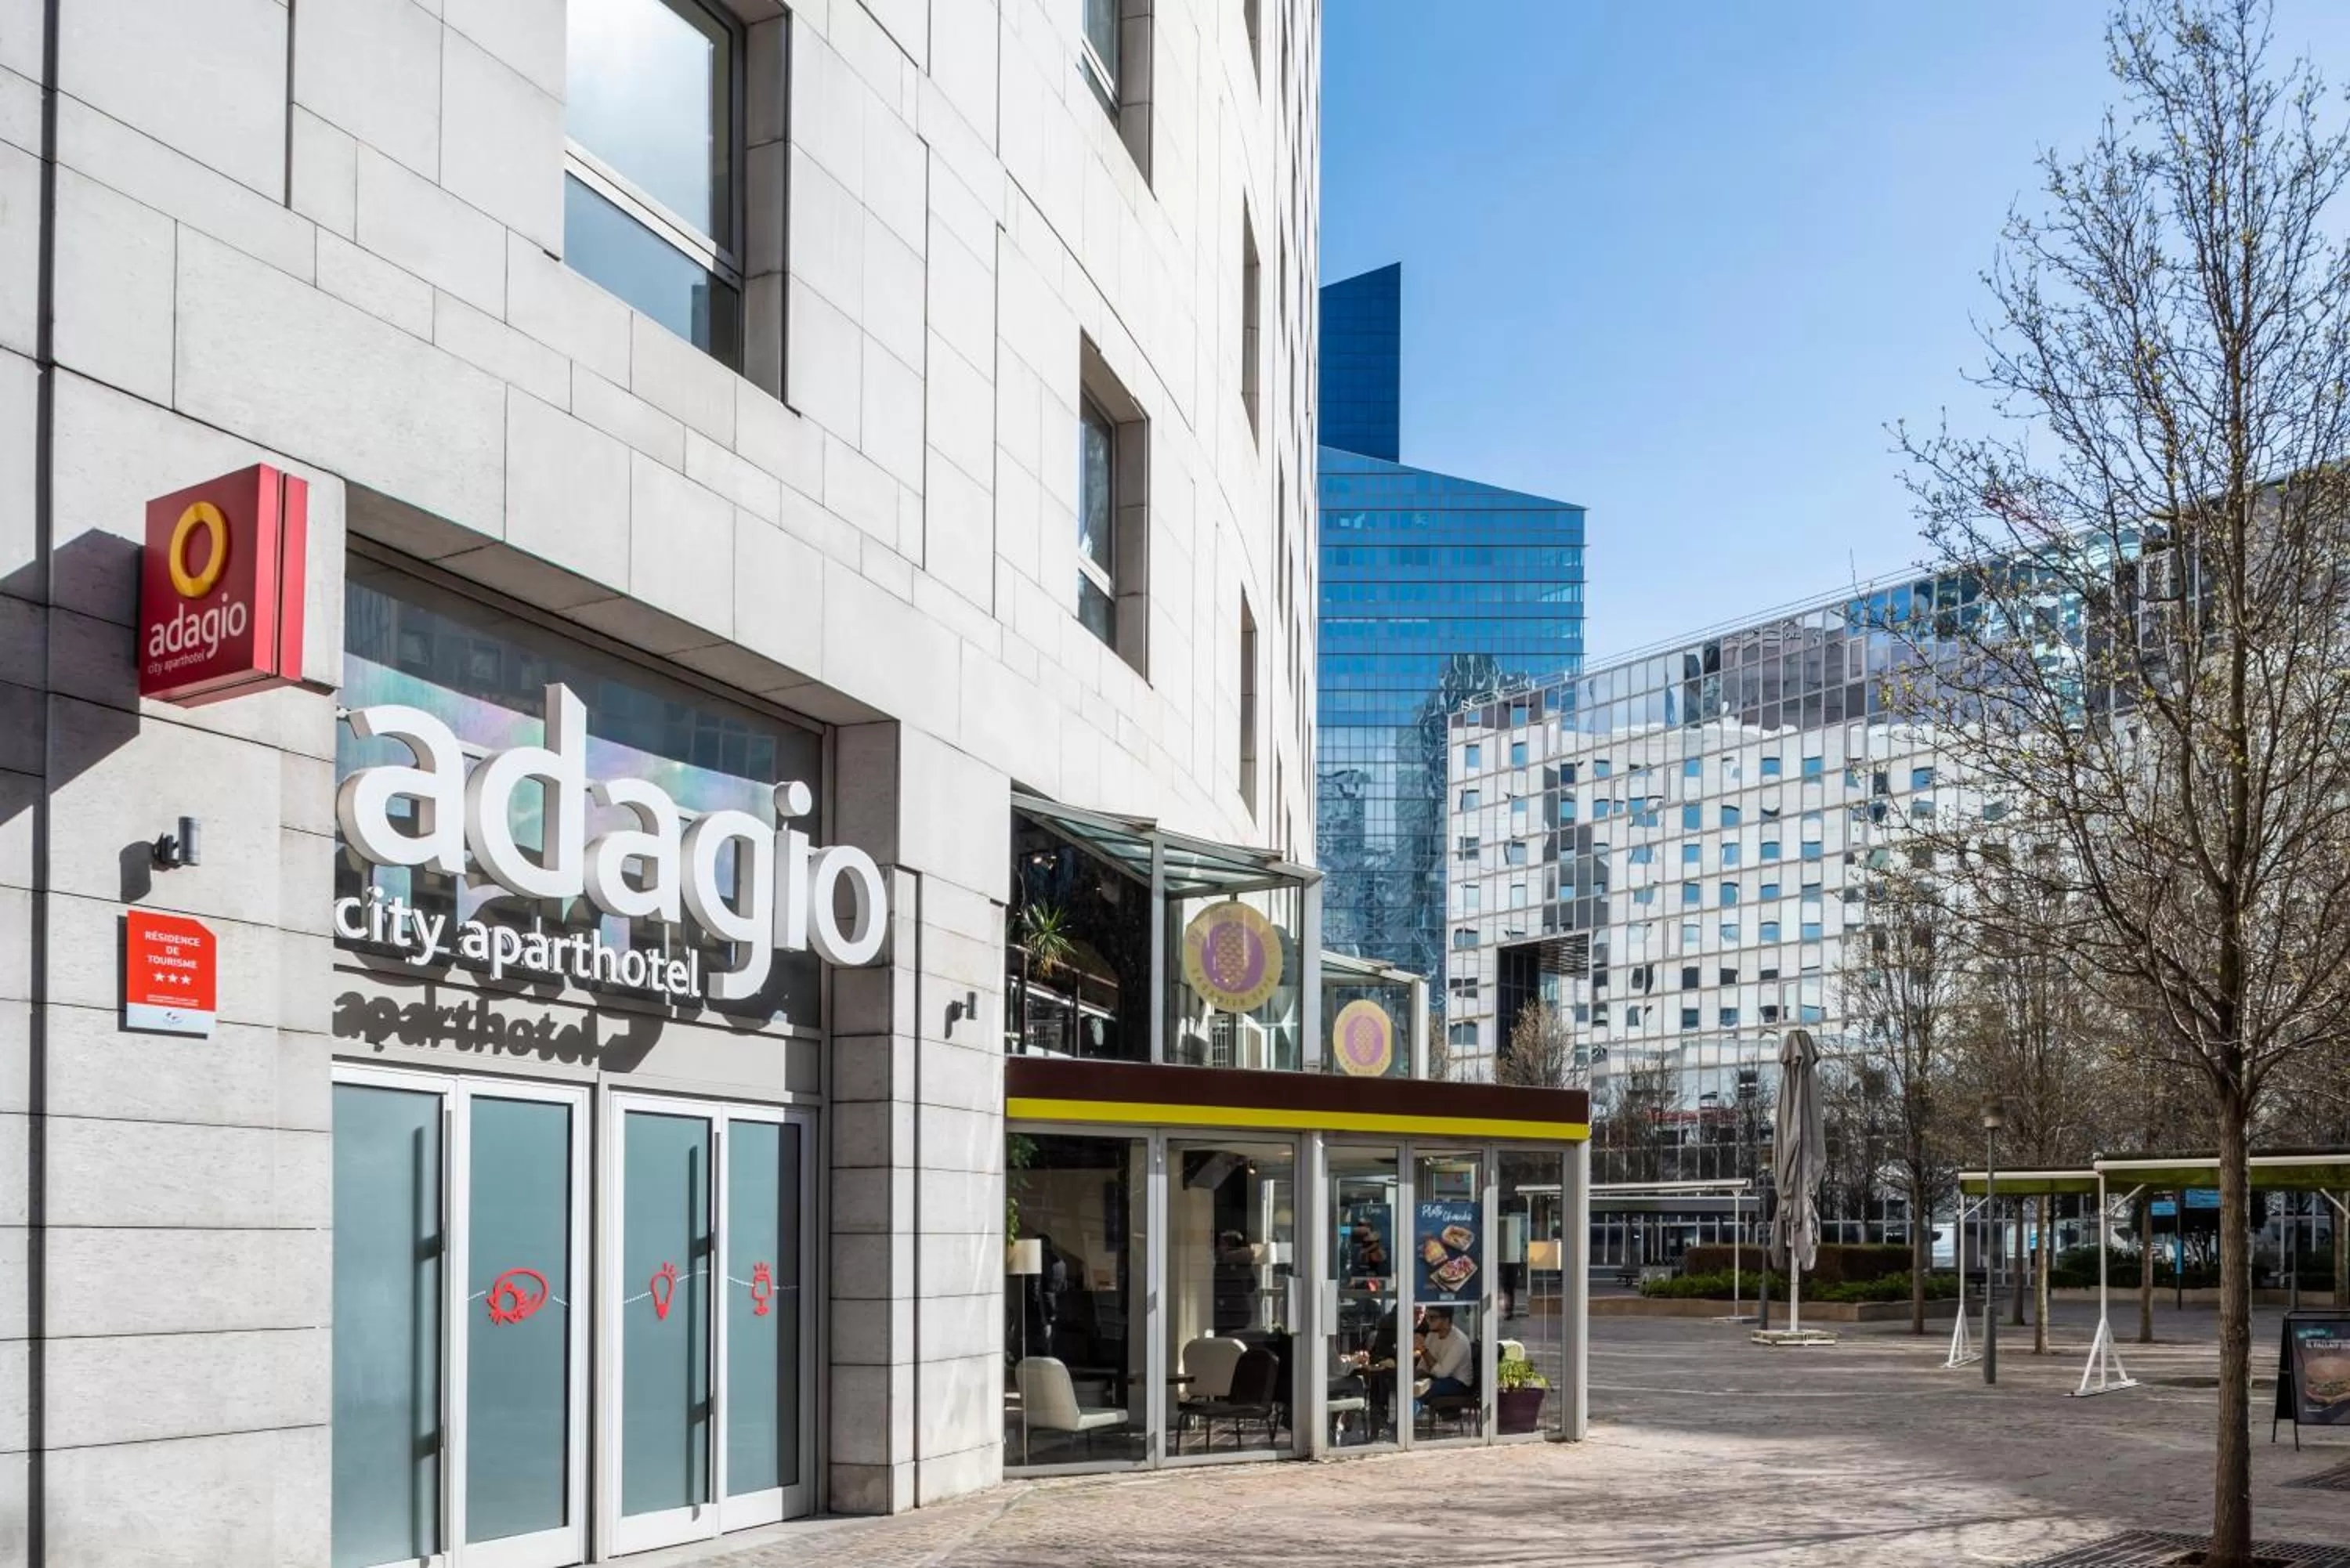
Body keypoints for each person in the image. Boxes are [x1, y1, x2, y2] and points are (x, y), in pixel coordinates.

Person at [1418, 1306, 1472, 1396]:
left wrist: (1423, 1349)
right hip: (1437, 1378)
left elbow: (1442, 1373)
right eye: (1426, 1317)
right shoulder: (1432, 1335)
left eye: (1432, 1318)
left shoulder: (1459, 1341)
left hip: (1458, 1383)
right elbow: (1424, 1365)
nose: (1428, 1321)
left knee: (1425, 1390)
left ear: (1446, 1320)